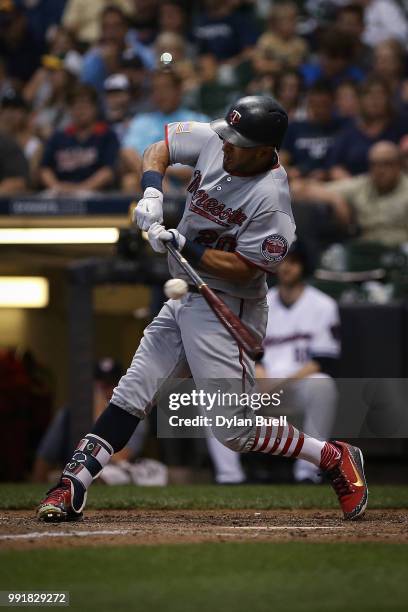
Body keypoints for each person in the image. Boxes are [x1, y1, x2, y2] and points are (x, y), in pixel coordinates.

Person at [37, 94, 368, 523]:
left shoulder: (272, 201)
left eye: (237, 142)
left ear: (265, 150)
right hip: (184, 296)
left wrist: (184, 243)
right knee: (132, 391)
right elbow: (161, 149)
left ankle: (331, 455)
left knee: (235, 432)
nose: (225, 145)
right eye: (227, 136)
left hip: (226, 304)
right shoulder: (218, 138)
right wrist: (153, 191)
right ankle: (73, 483)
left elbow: (245, 267)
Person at [257, 242, 340, 483]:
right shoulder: (261, 302)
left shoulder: (323, 305)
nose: (286, 268)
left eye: (292, 262)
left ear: (302, 267)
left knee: (322, 384)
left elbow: (322, 361)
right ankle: (229, 476)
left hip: (297, 385)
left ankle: (308, 473)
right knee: (216, 390)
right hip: (262, 384)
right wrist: (261, 377)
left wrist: (279, 383)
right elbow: (252, 352)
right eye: (282, 261)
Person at [32, 359, 146, 483]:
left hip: (114, 475)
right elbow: (45, 457)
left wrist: (100, 415)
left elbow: (121, 458)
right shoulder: (70, 413)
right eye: (102, 386)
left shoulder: (133, 412)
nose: (107, 391)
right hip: (75, 472)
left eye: (113, 384)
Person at [292, 141, 408, 247]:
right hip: (367, 252)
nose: (380, 170)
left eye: (386, 164)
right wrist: (335, 199)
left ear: (399, 165)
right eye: (374, 164)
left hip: (401, 250)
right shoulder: (362, 185)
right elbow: (298, 189)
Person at [39, 84, 120, 194]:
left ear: (95, 108)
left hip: (95, 193)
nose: (80, 110)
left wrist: (82, 188)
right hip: (60, 192)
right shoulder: (58, 136)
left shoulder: (107, 135)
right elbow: (45, 169)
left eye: (85, 105)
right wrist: (56, 186)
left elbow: (108, 171)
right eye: (75, 106)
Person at [280, 80, 344, 180]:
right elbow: (283, 158)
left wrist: (326, 173)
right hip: (299, 180)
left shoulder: (343, 126)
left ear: (333, 103)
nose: (320, 109)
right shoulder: (295, 128)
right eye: (316, 105)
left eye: (324, 105)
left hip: (331, 180)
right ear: (309, 103)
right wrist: (288, 171)